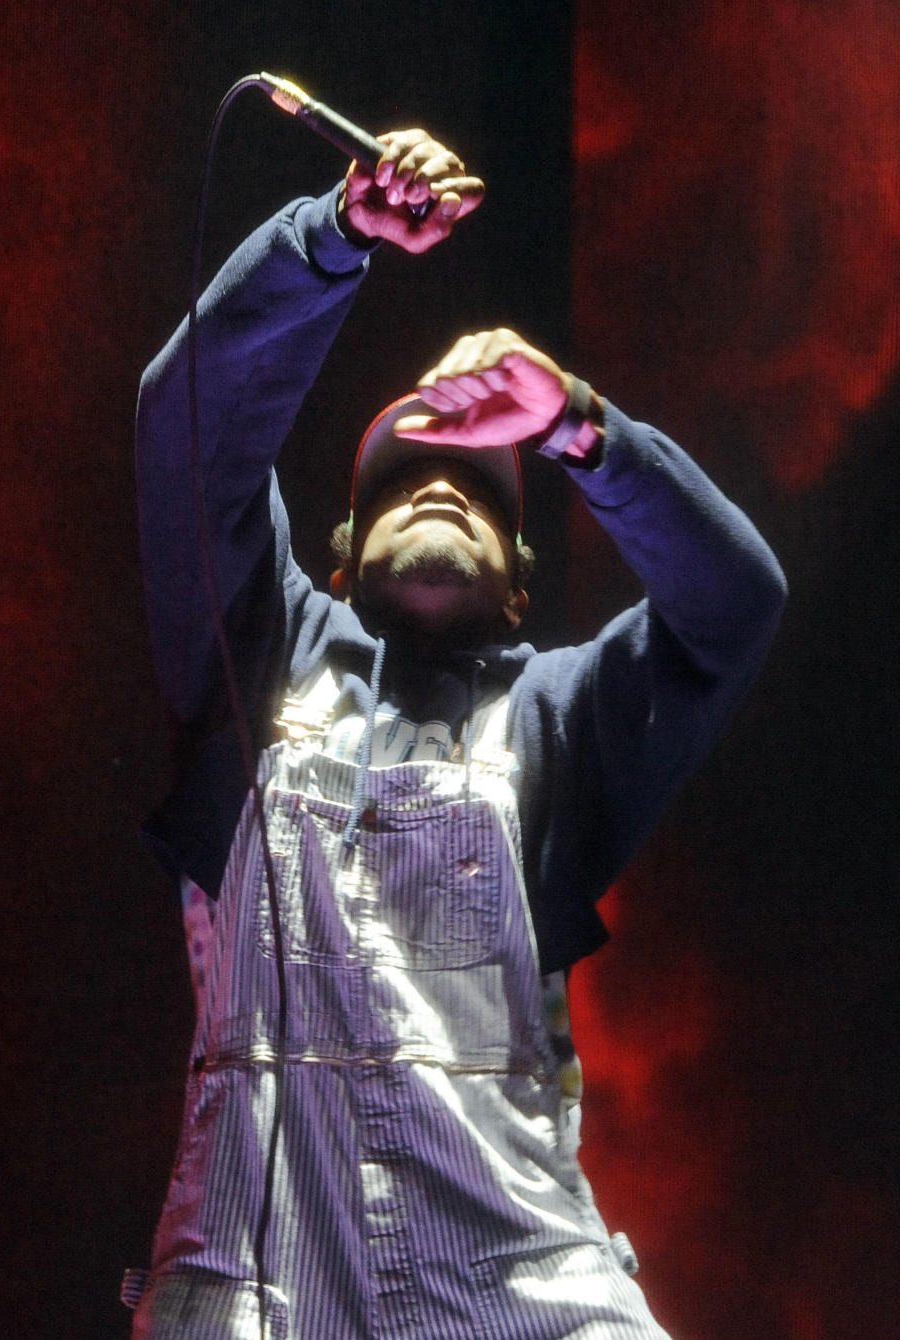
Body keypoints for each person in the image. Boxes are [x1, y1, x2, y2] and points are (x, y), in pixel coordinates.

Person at [128, 129, 786, 1339]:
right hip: (255, 1288)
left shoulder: (562, 714)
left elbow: (735, 603)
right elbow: (190, 426)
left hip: (533, 1286)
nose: (442, 484)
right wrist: (333, 236)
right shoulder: (254, 645)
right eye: (406, 478)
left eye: (483, 490)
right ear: (339, 553)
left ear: (521, 584)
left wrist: (582, 428)